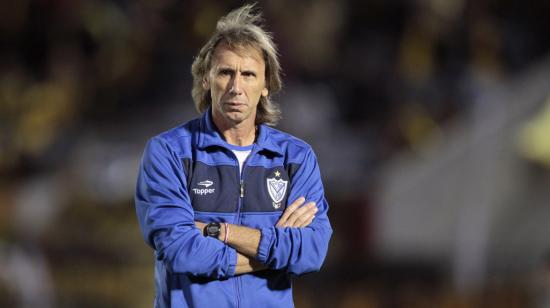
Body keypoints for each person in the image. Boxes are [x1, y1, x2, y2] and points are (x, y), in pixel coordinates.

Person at [135, 4, 332, 307]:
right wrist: (275, 251)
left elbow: (312, 252)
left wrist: (220, 231)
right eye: (226, 72)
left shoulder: (296, 158)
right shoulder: (169, 152)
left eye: (249, 74)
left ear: (266, 85)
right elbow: (181, 251)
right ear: (206, 79)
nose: (236, 87)